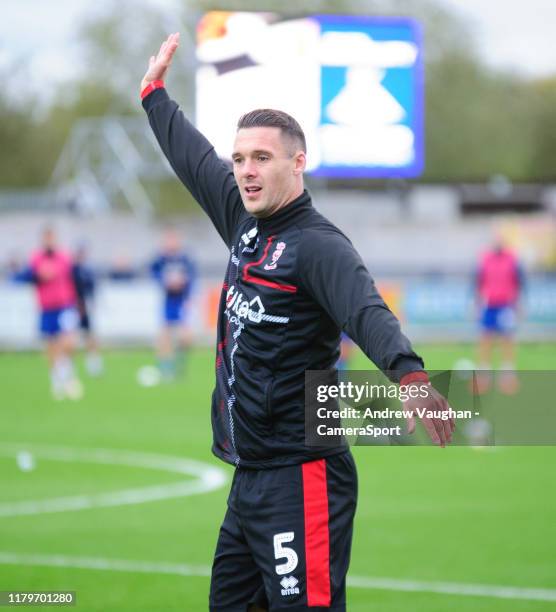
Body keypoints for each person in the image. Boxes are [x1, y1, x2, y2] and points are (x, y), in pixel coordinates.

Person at [141, 33, 454, 612]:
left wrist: (410, 378)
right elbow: (193, 159)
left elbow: (366, 310)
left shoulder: (318, 246)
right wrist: (154, 92)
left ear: (298, 162)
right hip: (249, 479)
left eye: (261, 157)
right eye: (240, 159)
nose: (245, 170)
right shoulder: (242, 218)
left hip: (302, 477)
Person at [15, 227, 83, 400]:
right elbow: (24, 277)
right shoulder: (36, 258)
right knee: (51, 345)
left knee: (68, 341)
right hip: (46, 307)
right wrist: (39, 275)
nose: (49, 241)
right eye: (46, 238)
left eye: (52, 238)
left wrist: (80, 302)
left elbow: (76, 279)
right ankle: (57, 381)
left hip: (65, 305)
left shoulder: (64, 257)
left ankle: (67, 374)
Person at [475, 236, 524, 394]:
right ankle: (484, 375)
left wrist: (518, 303)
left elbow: (519, 282)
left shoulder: (512, 259)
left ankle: (507, 375)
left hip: (506, 305)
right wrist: (476, 302)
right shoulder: (485, 259)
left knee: (506, 339)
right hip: (489, 304)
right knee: (486, 339)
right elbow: (478, 281)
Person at [150, 228, 197, 379]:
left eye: (173, 240)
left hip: (182, 300)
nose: (171, 243)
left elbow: (192, 277)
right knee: (165, 335)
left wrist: (186, 289)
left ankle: (179, 364)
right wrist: (165, 282)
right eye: (168, 240)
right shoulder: (161, 259)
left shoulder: (185, 259)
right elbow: (153, 272)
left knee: (185, 337)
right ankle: (165, 368)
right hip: (168, 300)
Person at [72, 243, 104, 377]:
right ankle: (67, 366)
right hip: (72, 307)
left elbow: (92, 290)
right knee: (70, 337)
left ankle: (93, 363)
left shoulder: (88, 271)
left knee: (89, 335)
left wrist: (91, 305)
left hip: (85, 307)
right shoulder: (72, 270)